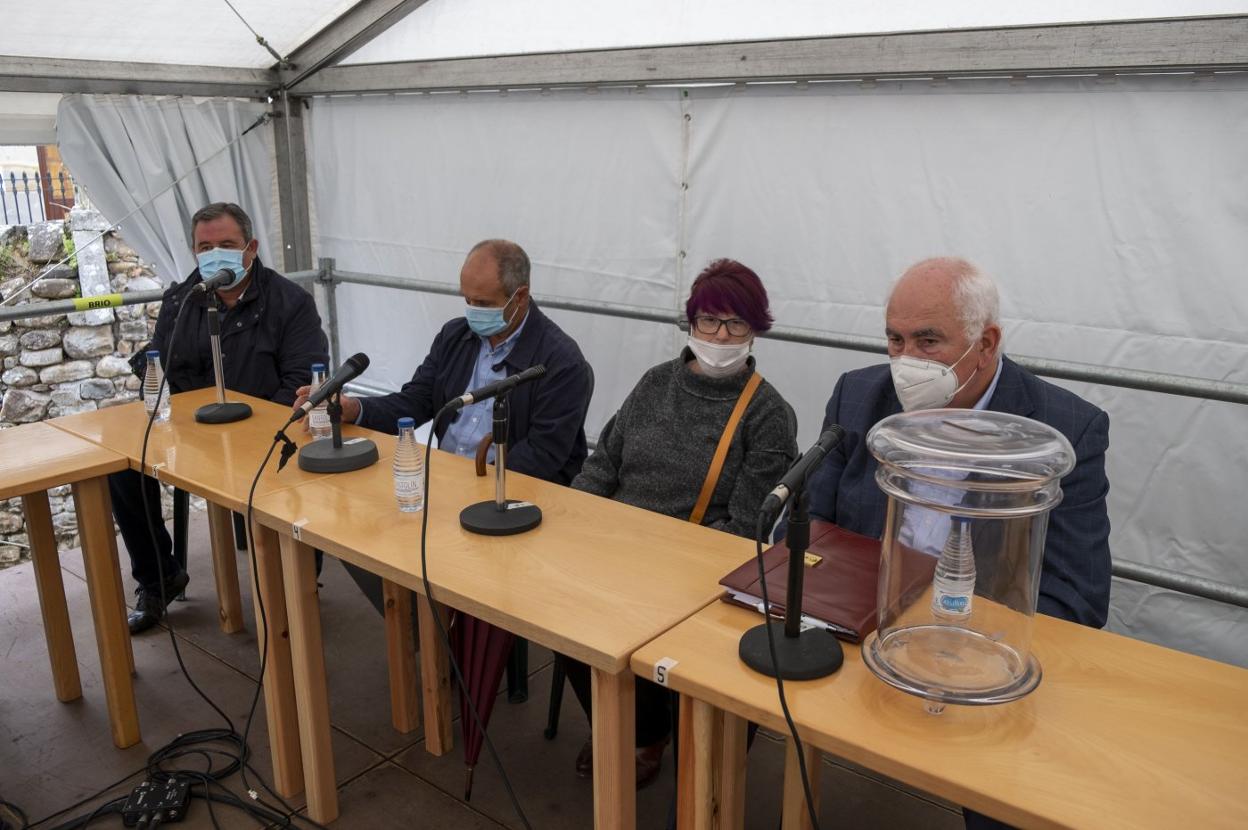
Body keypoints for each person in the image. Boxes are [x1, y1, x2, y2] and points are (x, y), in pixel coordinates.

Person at [806, 257, 1111, 830]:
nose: (906, 362)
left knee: (1010, 796)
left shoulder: (1064, 430)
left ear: (986, 343)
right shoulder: (858, 395)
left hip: (982, 653)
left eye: (928, 341)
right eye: (894, 339)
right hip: (860, 628)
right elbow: (812, 520)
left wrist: (957, 644)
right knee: (744, 687)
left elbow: (1079, 597)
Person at [563, 258, 799, 790]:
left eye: (736, 323)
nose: (720, 334)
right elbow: (603, 466)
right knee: (559, 614)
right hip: (612, 547)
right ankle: (621, 717)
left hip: (683, 572)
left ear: (755, 331)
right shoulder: (654, 383)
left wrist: (659, 563)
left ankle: (646, 733)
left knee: (628, 619)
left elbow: (745, 529)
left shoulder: (767, 414)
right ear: (691, 324)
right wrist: (574, 524)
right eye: (709, 321)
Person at [295, 239, 593, 606]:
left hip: (510, 500)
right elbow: (417, 399)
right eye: (466, 299)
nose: (472, 311)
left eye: (483, 303)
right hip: (447, 486)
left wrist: (467, 491)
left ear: (521, 296)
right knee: (355, 526)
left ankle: (441, 631)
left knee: (413, 547)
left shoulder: (560, 361)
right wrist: (354, 408)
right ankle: (416, 624)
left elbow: (542, 458)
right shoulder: (457, 335)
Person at [113, 202, 329, 633]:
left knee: (289, 462)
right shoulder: (181, 301)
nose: (215, 255)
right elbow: (163, 373)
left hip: (269, 434)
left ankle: (298, 578)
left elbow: (303, 385)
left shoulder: (290, 302)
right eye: (205, 247)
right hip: (195, 434)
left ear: (249, 248)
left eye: (226, 245)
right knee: (121, 468)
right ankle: (159, 577)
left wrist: (251, 431)